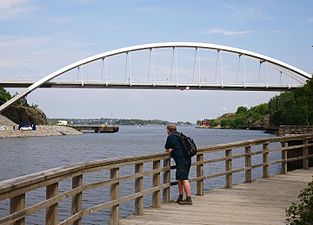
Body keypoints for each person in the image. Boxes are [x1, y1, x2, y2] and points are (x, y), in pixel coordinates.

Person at [164, 124, 192, 205]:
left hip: (181, 160)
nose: (166, 131)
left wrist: (170, 149)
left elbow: (166, 147)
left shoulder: (171, 137)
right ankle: (180, 196)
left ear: (169, 130)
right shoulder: (180, 135)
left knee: (184, 178)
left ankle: (188, 199)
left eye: (167, 130)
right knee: (180, 178)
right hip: (187, 159)